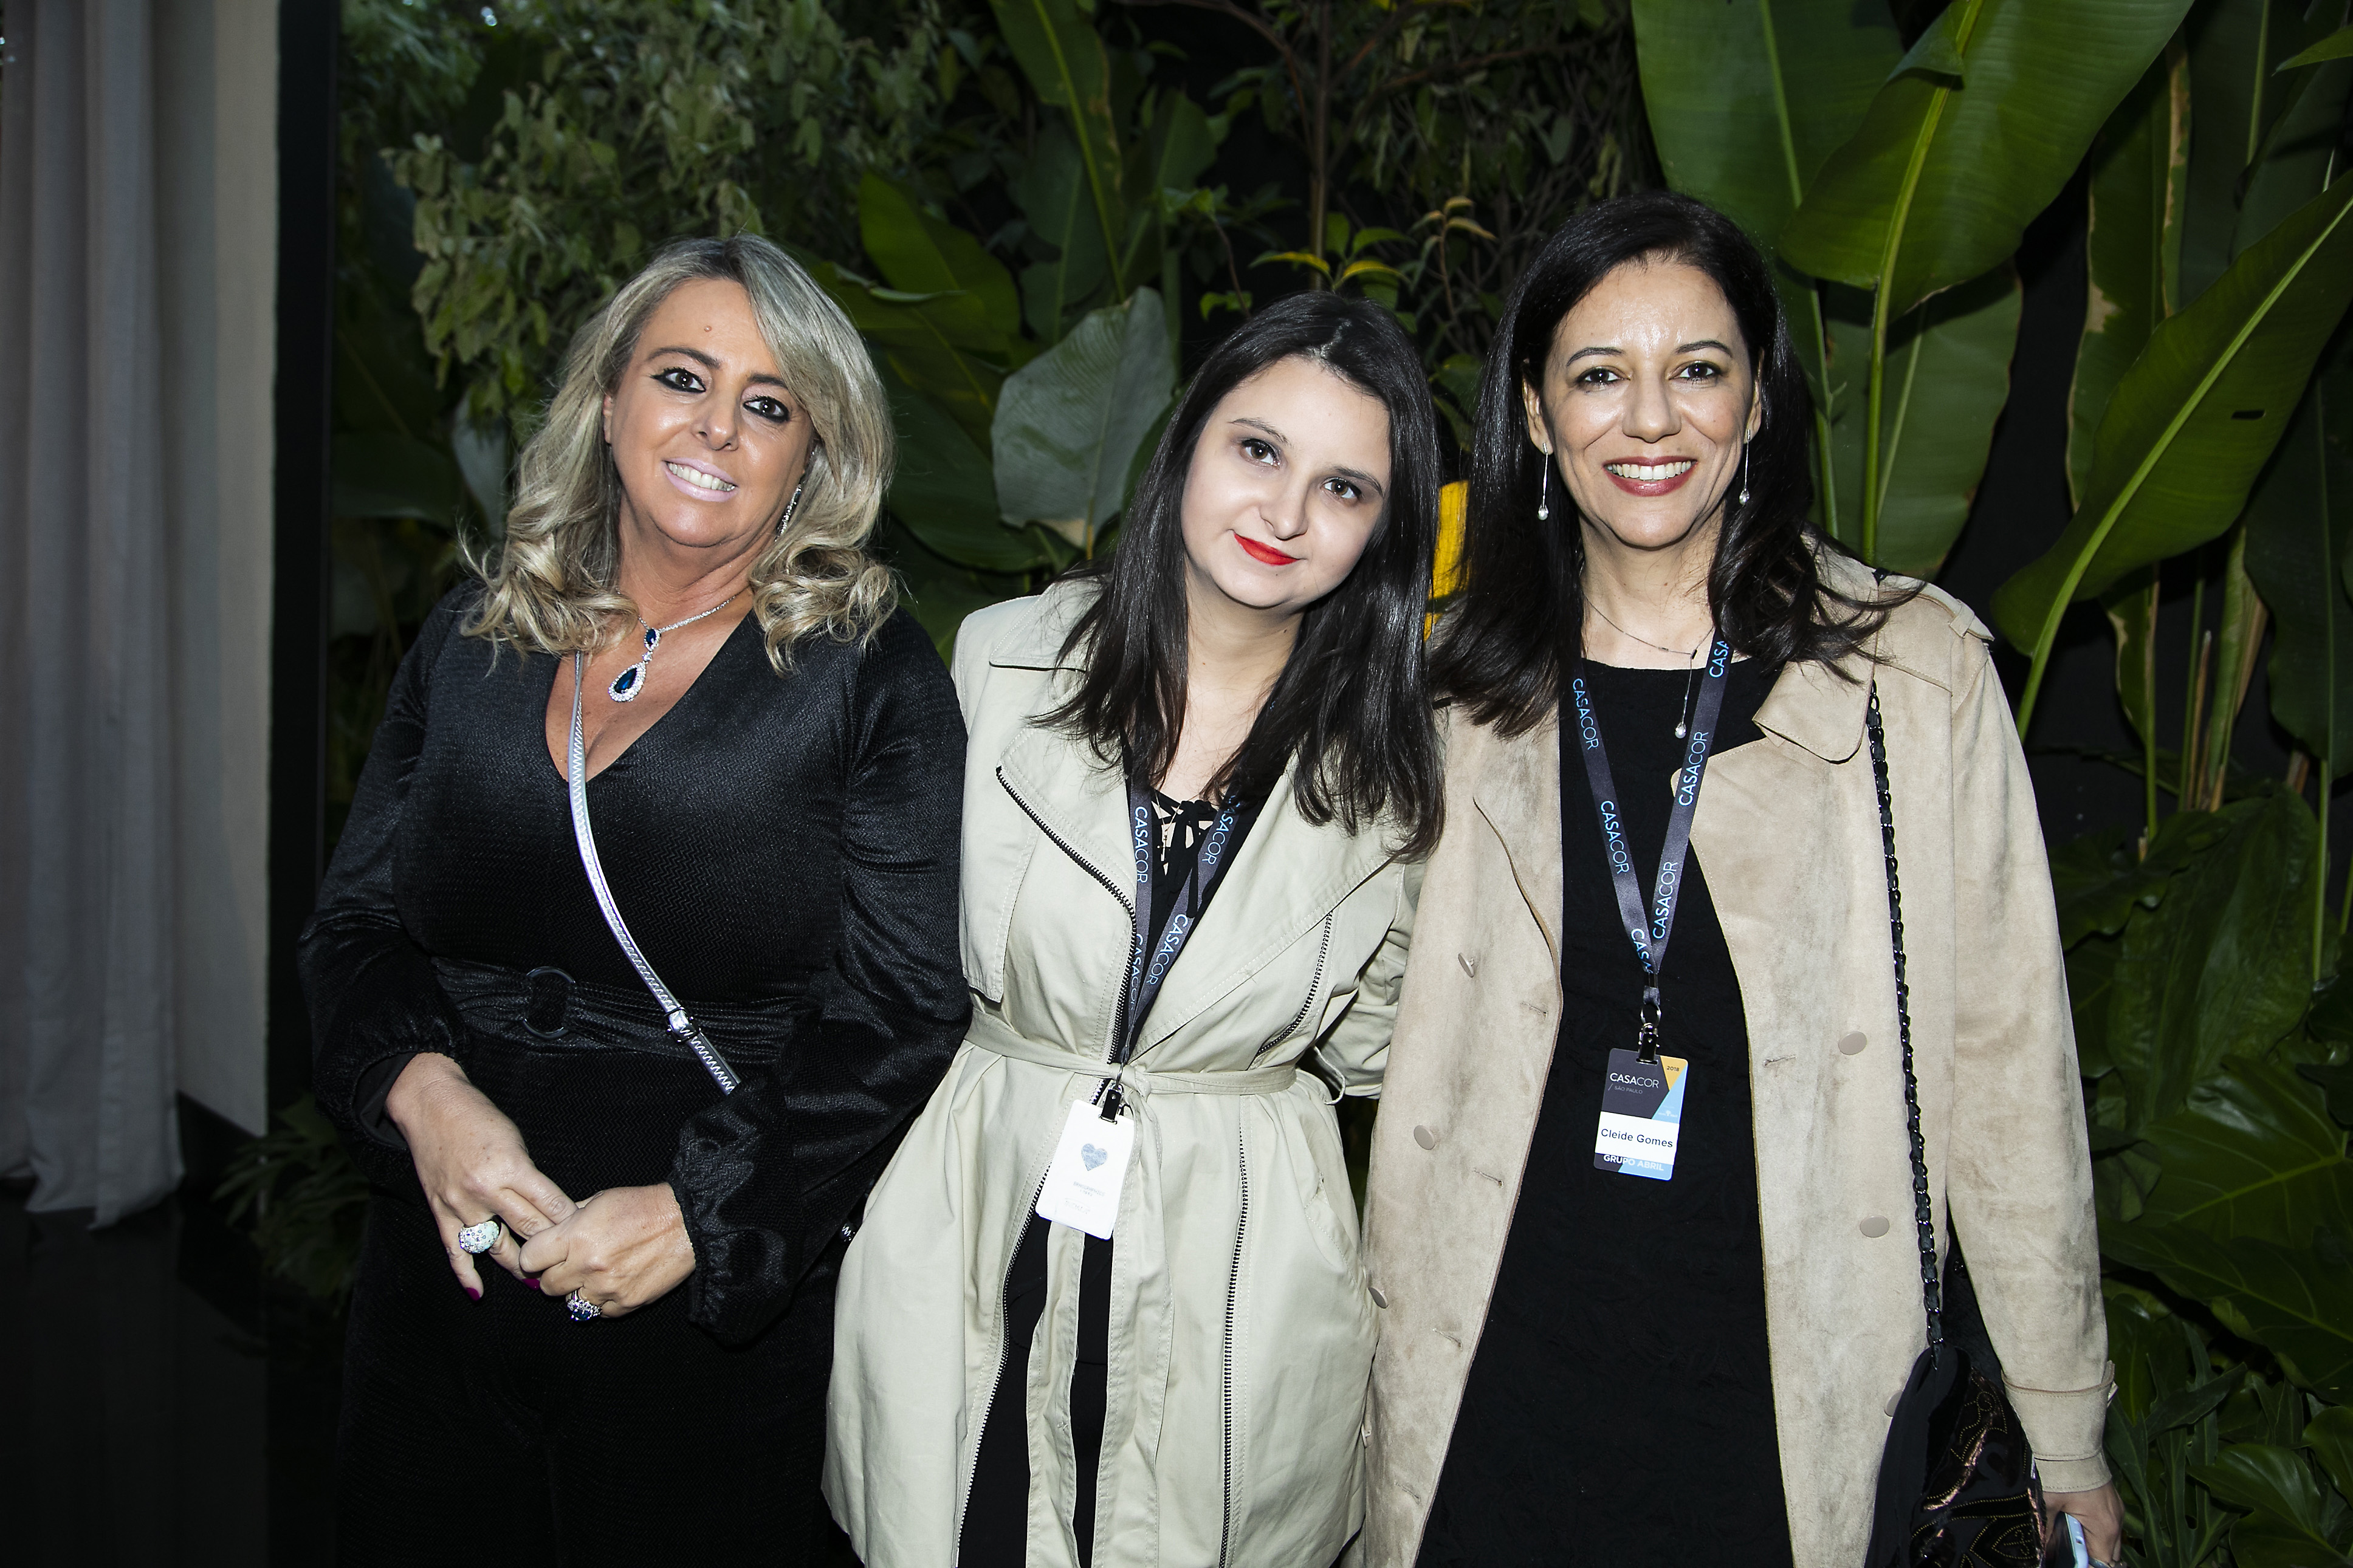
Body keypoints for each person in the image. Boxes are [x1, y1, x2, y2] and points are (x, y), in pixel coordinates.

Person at [1357, 190, 2122, 1567]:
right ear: (1535, 415)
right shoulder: (1452, 687)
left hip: (1792, 1397)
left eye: (1695, 371)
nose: (1649, 422)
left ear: (1757, 399)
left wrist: (2064, 1426)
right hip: (1493, 1381)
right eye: (1599, 375)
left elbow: (2008, 1060)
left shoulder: (1913, 677)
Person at [300, 235, 969, 1562]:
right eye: (682, 376)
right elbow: (353, 927)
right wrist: (425, 1103)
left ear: (811, 457)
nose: (718, 424)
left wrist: (698, 1216)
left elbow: (900, 1008)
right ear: (609, 404)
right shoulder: (475, 633)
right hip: (444, 1281)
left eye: (769, 404)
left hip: (704, 1318)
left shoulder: (864, 676)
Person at [824, 293, 1443, 1568]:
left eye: (1344, 488)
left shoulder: (1393, 769)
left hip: (1237, 1255)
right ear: (1187, 444)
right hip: (981, 1213)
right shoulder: (997, 662)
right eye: (1257, 450)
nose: (1283, 513)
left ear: (1385, 533)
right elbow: (879, 954)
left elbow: (1392, 1045)